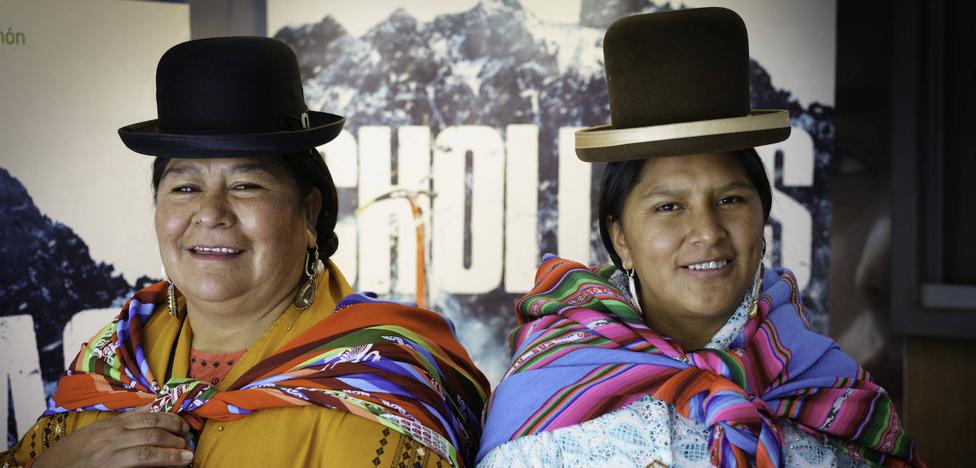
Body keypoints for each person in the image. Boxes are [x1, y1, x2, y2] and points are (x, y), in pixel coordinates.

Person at [1, 37, 488, 468]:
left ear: (308, 211)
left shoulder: (385, 378)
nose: (211, 212)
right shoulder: (118, 355)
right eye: (185, 187)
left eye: (246, 184)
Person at [477, 8, 921, 468]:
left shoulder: (828, 383)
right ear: (620, 236)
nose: (708, 232)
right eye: (668, 207)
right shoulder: (548, 396)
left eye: (731, 200)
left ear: (763, 216)